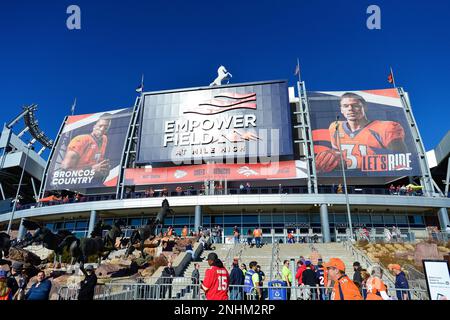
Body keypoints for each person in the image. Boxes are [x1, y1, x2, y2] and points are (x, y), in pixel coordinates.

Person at [315, 92, 407, 173]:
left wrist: (350, 162)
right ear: (341, 110)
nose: (350, 109)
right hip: (347, 179)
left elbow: (401, 159)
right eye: (346, 106)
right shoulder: (335, 126)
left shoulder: (386, 127)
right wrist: (331, 155)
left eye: (355, 105)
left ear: (364, 107)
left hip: (376, 177)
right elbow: (337, 152)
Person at [60, 113, 112, 178]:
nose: (102, 129)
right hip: (76, 183)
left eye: (106, 128)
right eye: (100, 126)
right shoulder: (80, 140)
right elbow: (65, 171)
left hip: (92, 179)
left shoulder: (104, 139)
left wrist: (103, 167)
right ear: (94, 126)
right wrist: (91, 170)